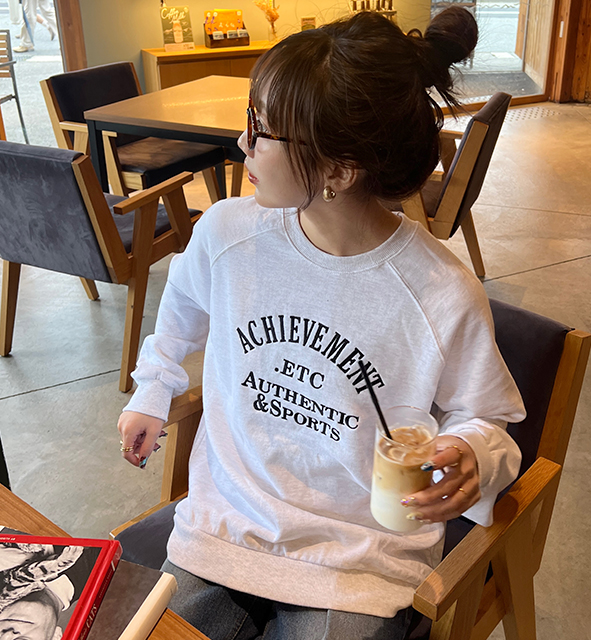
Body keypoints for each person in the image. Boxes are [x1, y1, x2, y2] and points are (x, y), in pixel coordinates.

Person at [118, 9, 526, 640]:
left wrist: (473, 454)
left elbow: (487, 418)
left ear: (338, 169)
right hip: (225, 527)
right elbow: (180, 317)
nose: (243, 143)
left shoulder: (440, 291)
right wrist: (153, 388)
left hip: (358, 559)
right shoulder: (226, 234)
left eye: (263, 130)